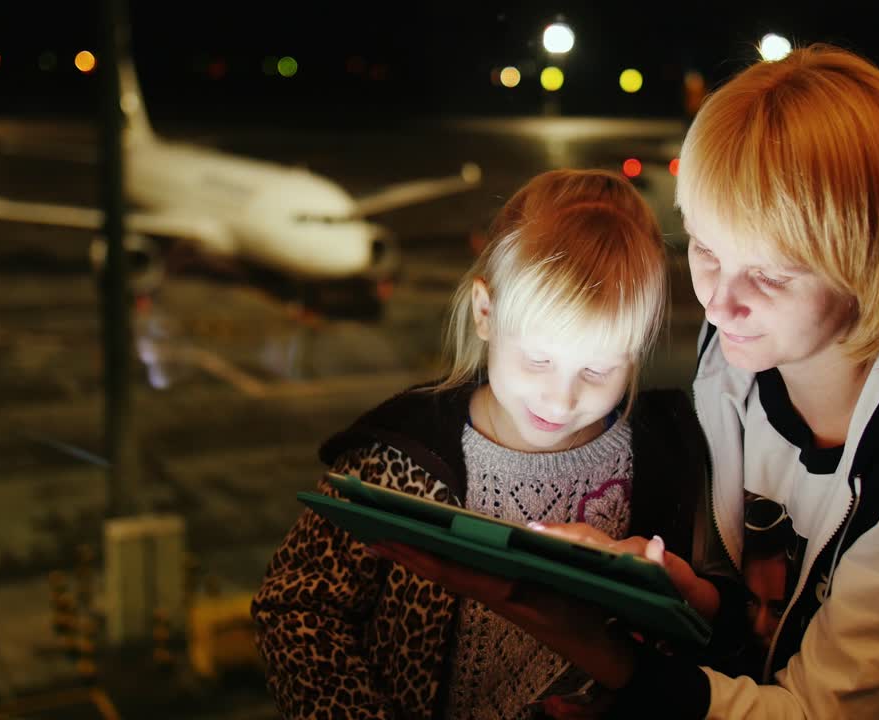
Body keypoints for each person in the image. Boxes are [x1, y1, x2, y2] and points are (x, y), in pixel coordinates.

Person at [370, 44, 879, 718]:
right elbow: (761, 623)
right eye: (703, 248)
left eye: (768, 273)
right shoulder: (739, 357)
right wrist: (676, 591)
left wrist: (588, 642)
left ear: (874, 260)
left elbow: (812, 713)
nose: (718, 302)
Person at [250, 168, 711, 720]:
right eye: (538, 359)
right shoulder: (400, 454)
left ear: (635, 351)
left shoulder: (672, 458)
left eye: (598, 368)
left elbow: (709, 635)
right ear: (485, 313)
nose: (560, 399)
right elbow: (297, 606)